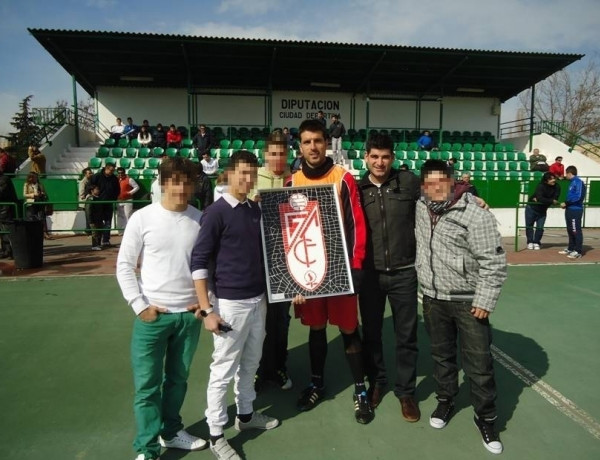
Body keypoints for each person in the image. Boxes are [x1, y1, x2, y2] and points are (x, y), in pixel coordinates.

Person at [190, 150, 280, 460]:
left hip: (258, 301)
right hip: (230, 304)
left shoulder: (254, 209)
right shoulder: (215, 212)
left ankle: (245, 416)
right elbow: (199, 261)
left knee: (251, 364)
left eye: (251, 174)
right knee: (223, 371)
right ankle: (216, 434)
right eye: (241, 173)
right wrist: (207, 310)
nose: (247, 179)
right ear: (228, 174)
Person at [116, 157, 206, 460]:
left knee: (178, 380)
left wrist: (206, 304)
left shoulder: (201, 219)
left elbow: (210, 266)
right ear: (164, 183)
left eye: (188, 181)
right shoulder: (142, 218)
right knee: (147, 387)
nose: (182, 187)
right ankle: (147, 448)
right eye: (176, 181)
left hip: (189, 317)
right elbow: (124, 267)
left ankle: (171, 431)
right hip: (152, 318)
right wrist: (140, 306)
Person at [416, 159, 507, 455]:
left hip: (468, 302)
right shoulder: (419, 206)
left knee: (479, 365)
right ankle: (446, 401)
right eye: (429, 183)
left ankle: (487, 418)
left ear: (453, 182)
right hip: (433, 297)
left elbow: (493, 262)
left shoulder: (474, 213)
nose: (435, 188)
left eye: (441, 182)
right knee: (442, 357)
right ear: (423, 187)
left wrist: (484, 299)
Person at [290, 119, 373, 424]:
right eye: (307, 141)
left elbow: (356, 226)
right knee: (316, 328)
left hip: (340, 271)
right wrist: (290, 280)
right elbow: (286, 236)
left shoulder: (343, 178)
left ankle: (361, 390)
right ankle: (316, 382)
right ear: (300, 146)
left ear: (327, 143)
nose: (313, 146)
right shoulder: (291, 183)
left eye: (318, 141)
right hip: (309, 273)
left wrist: (355, 267)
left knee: (349, 329)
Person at [358, 133, 421, 421]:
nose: (379, 162)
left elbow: (440, 191)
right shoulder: (356, 188)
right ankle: (378, 382)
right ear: (366, 157)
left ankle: (406, 392)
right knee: (371, 334)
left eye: (385, 157)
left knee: (406, 336)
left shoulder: (408, 182)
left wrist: (469, 197)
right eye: (374, 156)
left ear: (392, 158)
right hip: (370, 275)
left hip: (404, 272)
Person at [250, 132, 293, 392]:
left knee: (280, 320)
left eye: (282, 153)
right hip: (257, 261)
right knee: (258, 320)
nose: (278, 158)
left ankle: (278, 366)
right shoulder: (253, 178)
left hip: (287, 262)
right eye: (273, 154)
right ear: (266, 155)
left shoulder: (295, 180)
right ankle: (256, 369)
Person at [525, 172, 560, 250]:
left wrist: (545, 200)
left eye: (554, 178)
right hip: (531, 208)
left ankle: (536, 242)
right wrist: (550, 200)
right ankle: (530, 242)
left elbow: (555, 199)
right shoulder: (540, 186)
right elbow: (541, 198)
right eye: (551, 179)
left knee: (540, 227)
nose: (553, 180)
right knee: (529, 226)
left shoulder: (557, 187)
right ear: (546, 180)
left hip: (543, 210)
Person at [89, 164, 120, 247]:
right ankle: (97, 242)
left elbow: (117, 190)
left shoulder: (114, 178)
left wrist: (113, 199)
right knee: (98, 223)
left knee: (108, 222)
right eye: (111, 170)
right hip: (97, 203)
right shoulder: (97, 176)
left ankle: (106, 240)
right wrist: (94, 196)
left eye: (113, 170)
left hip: (108, 203)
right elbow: (89, 187)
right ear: (106, 169)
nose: (112, 172)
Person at [559, 165, 586, 259]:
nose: (565, 176)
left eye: (566, 174)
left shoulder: (578, 182)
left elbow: (578, 197)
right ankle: (571, 248)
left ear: (569, 173)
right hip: (570, 209)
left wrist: (566, 203)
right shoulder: (572, 182)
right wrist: (567, 205)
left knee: (575, 230)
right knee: (570, 229)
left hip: (576, 210)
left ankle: (578, 251)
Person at [23, 172, 51, 239]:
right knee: (32, 218)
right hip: (31, 203)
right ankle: (32, 234)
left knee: (42, 218)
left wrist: (42, 193)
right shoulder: (26, 184)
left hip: (40, 202)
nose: (36, 178)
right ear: (31, 178)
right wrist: (33, 195)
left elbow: (45, 194)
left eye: (36, 177)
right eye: (35, 177)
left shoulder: (40, 185)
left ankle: (45, 233)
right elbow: (24, 194)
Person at [116, 167, 140, 235]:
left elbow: (137, 187)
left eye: (122, 173)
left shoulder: (129, 179)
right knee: (120, 215)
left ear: (124, 172)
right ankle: (121, 231)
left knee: (128, 215)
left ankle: (129, 231)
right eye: (119, 173)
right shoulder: (116, 179)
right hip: (119, 200)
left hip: (128, 200)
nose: (120, 174)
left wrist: (130, 193)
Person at [0, 170, 18, 259]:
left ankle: (12, 251)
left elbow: (1, 192)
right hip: (3, 209)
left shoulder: (4, 179)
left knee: (7, 230)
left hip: (6, 209)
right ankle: (6, 250)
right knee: (3, 232)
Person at [85, 184, 105, 251]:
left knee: (100, 232)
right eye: (96, 189)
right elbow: (88, 210)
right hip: (94, 219)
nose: (98, 190)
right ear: (92, 191)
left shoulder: (98, 198)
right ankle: (94, 245)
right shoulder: (90, 199)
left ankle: (98, 244)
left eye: (98, 189)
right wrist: (90, 221)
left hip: (99, 218)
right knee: (95, 232)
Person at [79, 167, 94, 234]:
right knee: (88, 217)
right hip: (86, 202)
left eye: (91, 173)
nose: (91, 174)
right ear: (85, 174)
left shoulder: (91, 180)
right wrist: (87, 197)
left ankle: (89, 230)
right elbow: (81, 194)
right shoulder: (83, 182)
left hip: (91, 201)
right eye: (89, 173)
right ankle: (88, 231)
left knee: (91, 216)